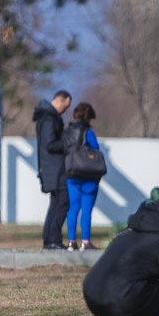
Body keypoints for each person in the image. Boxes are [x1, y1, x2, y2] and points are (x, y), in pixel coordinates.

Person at [33, 89, 71, 250]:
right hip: (54, 169)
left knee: (56, 203)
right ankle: (53, 239)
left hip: (52, 169)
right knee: (63, 201)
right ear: (59, 100)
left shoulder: (47, 117)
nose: (65, 110)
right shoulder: (49, 119)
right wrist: (68, 144)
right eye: (66, 106)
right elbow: (50, 143)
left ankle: (50, 240)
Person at [63, 102, 102, 251]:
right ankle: (85, 242)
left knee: (73, 207)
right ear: (88, 117)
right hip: (87, 174)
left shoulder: (67, 131)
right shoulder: (88, 132)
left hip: (71, 174)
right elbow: (96, 150)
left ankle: (71, 241)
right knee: (86, 208)